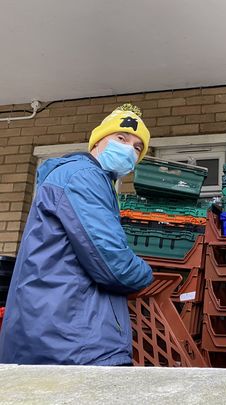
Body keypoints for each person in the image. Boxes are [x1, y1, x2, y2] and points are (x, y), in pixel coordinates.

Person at [0, 104, 154, 366]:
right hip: (72, 341)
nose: (129, 149)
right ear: (97, 141)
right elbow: (114, 265)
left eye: (138, 148)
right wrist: (148, 273)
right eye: (121, 138)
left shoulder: (84, 178)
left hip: (57, 333)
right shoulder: (84, 177)